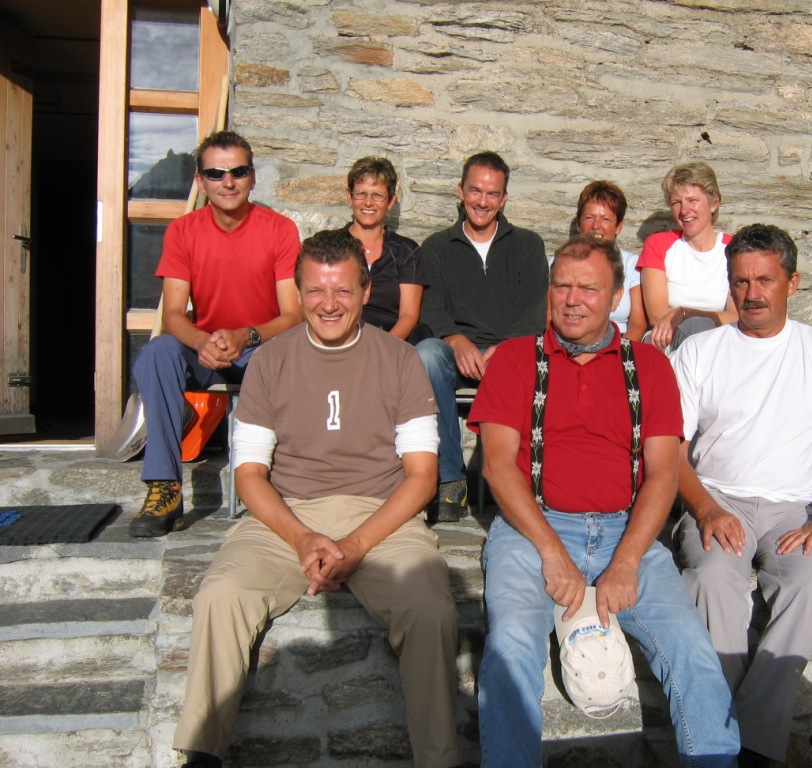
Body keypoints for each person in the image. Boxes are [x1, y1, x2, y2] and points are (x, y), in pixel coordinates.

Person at [172, 229, 461, 768]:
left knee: (431, 610)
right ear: (299, 293)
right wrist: (303, 538)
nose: (329, 304)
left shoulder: (401, 361)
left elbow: (422, 477)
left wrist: (354, 546)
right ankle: (202, 754)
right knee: (221, 595)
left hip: (381, 514)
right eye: (316, 291)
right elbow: (250, 474)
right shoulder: (269, 361)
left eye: (343, 291)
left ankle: (438, 759)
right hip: (289, 512)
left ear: (366, 291)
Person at [469, 233, 741, 768]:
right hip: (532, 528)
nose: (572, 300)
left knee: (690, 647)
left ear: (616, 296)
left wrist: (628, 560)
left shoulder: (650, 366)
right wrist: (551, 550)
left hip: (626, 527)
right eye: (562, 286)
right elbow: (498, 466)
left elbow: (663, 473)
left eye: (588, 289)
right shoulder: (516, 359)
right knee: (511, 646)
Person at [672, 224, 812, 767]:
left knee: (808, 582)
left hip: (796, 511)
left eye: (765, 280)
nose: (752, 293)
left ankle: (740, 743)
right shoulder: (700, 351)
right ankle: (744, 740)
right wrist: (705, 508)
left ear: (792, 283)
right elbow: (669, 449)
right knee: (712, 576)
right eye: (741, 281)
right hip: (718, 499)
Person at [129, 130, 302, 538]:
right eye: (215, 173)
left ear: (252, 177)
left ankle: (281, 482)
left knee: (287, 359)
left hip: (260, 347)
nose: (228, 181)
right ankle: (164, 487)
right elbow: (173, 314)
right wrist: (201, 342)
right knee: (157, 353)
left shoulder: (279, 230)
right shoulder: (183, 231)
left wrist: (246, 336)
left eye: (238, 171)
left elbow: (293, 314)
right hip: (206, 348)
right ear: (200, 180)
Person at [416, 151, 548, 521]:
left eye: (492, 194)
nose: (483, 202)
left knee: (543, 362)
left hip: (513, 354)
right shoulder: (437, 247)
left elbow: (535, 309)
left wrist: (507, 349)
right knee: (426, 354)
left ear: (504, 199)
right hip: (457, 354)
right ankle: (450, 482)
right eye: (475, 191)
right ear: (461, 191)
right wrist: (454, 339)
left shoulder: (528, 245)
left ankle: (524, 485)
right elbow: (430, 307)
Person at [639, 161, 737, 353]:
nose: (684, 211)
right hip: (667, 339)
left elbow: (735, 316)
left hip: (717, 340)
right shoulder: (658, 245)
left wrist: (685, 313)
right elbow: (657, 315)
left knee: (698, 329)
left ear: (713, 204)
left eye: (693, 200)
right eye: (677, 203)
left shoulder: (734, 249)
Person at [343, 156, 428, 343]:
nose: (368, 202)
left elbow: (408, 316)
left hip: (387, 341)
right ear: (350, 197)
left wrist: (383, 349)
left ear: (390, 202)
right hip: (339, 337)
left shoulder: (406, 252)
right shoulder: (330, 245)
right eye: (361, 193)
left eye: (377, 195)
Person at [574, 180, 647, 341]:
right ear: (579, 223)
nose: (596, 226)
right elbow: (551, 319)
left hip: (619, 342)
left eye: (605, 219)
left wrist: (620, 352)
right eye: (589, 217)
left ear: (618, 226)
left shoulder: (632, 264)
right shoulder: (560, 264)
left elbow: (638, 324)